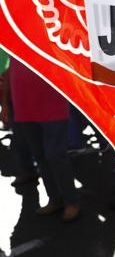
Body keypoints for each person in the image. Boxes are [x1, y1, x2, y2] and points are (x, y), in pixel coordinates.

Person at [7, 60, 80, 222]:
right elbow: (7, 69)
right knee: (40, 156)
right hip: (24, 105)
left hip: (53, 104)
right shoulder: (14, 38)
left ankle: (71, 201)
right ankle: (55, 199)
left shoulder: (49, 36)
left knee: (55, 155)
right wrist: (6, 103)